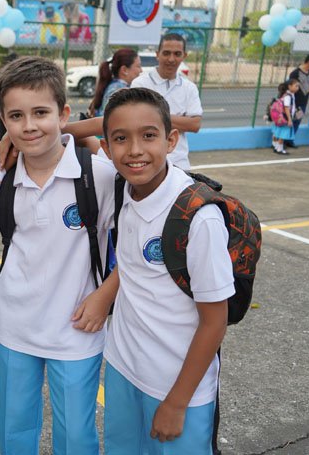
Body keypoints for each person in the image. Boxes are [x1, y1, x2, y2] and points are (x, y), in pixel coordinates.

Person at [0, 56, 118, 455]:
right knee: (14, 432)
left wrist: (106, 294)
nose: (28, 125)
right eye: (16, 116)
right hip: (14, 329)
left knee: (76, 437)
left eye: (40, 113)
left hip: (77, 332)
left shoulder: (100, 176)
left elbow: (138, 243)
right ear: (4, 121)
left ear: (63, 113)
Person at [98, 87, 233, 453]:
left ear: (171, 140)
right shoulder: (125, 188)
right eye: (120, 139)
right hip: (123, 369)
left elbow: (214, 322)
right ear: (106, 148)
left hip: (177, 388)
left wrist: (176, 402)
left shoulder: (199, 217)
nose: (135, 150)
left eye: (149, 135)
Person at [130, 33, 202, 170]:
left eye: (177, 54)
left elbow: (195, 125)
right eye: (166, 53)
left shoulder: (189, 87)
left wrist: (153, 116)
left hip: (180, 163)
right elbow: (137, 119)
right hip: (146, 161)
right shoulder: (140, 84)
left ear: (184, 56)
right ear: (157, 54)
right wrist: (181, 120)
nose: (171, 59)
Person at [89, 48, 142, 118]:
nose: (141, 70)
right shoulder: (119, 91)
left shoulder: (114, 86)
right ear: (124, 70)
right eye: (138, 66)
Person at [288, 53, 309, 145]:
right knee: (288, 120)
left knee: (297, 120)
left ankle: (290, 140)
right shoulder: (295, 73)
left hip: (303, 102)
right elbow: (289, 86)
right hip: (292, 102)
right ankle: (282, 140)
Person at [272, 79, 299, 156]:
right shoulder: (288, 96)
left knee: (281, 133)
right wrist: (289, 119)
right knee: (283, 134)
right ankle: (280, 149)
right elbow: (286, 108)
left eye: (298, 86)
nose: (297, 88)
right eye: (296, 86)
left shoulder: (288, 95)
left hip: (284, 117)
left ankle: (277, 148)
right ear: (289, 86)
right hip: (286, 118)